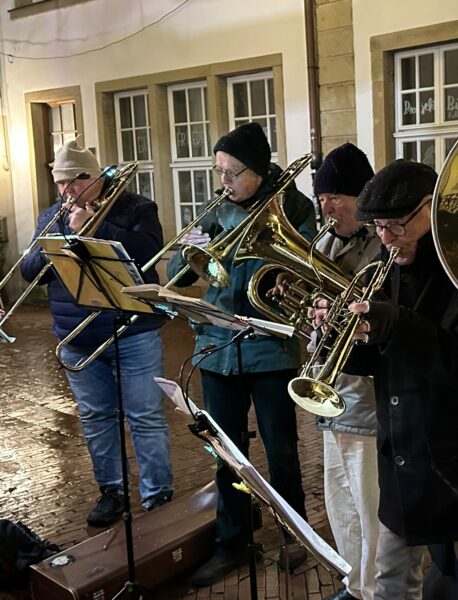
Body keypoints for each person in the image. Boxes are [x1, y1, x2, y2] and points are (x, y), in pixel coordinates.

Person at [317, 159, 458, 599]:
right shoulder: (387, 266)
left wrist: (395, 324)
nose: (386, 239)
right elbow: (381, 362)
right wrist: (342, 336)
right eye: (377, 228)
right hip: (403, 453)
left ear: (429, 208)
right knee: (390, 581)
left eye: (395, 225)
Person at [166, 122, 316, 586]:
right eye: (219, 172)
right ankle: (232, 540)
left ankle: (297, 536)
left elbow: (305, 269)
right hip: (216, 352)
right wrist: (192, 253)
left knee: (281, 451)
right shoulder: (214, 211)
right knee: (227, 455)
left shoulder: (294, 206)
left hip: (270, 352)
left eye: (231, 173)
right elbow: (176, 270)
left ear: (257, 170)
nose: (223, 182)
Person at [20, 140, 173, 527]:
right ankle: (112, 491)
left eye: (72, 183)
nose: (65, 192)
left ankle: (157, 496)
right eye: (59, 184)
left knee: (145, 416)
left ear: (92, 178)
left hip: (132, 330)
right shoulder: (51, 216)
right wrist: (57, 239)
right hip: (77, 335)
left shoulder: (137, 208)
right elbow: (28, 271)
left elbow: (148, 253)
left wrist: (96, 227)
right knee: (95, 418)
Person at [300, 142, 382, 600]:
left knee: (370, 502)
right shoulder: (324, 244)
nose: (327, 206)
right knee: (339, 499)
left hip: (365, 396)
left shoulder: (380, 247)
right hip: (330, 392)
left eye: (337, 196)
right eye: (322, 197)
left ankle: (376, 588)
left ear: (362, 197)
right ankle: (355, 581)